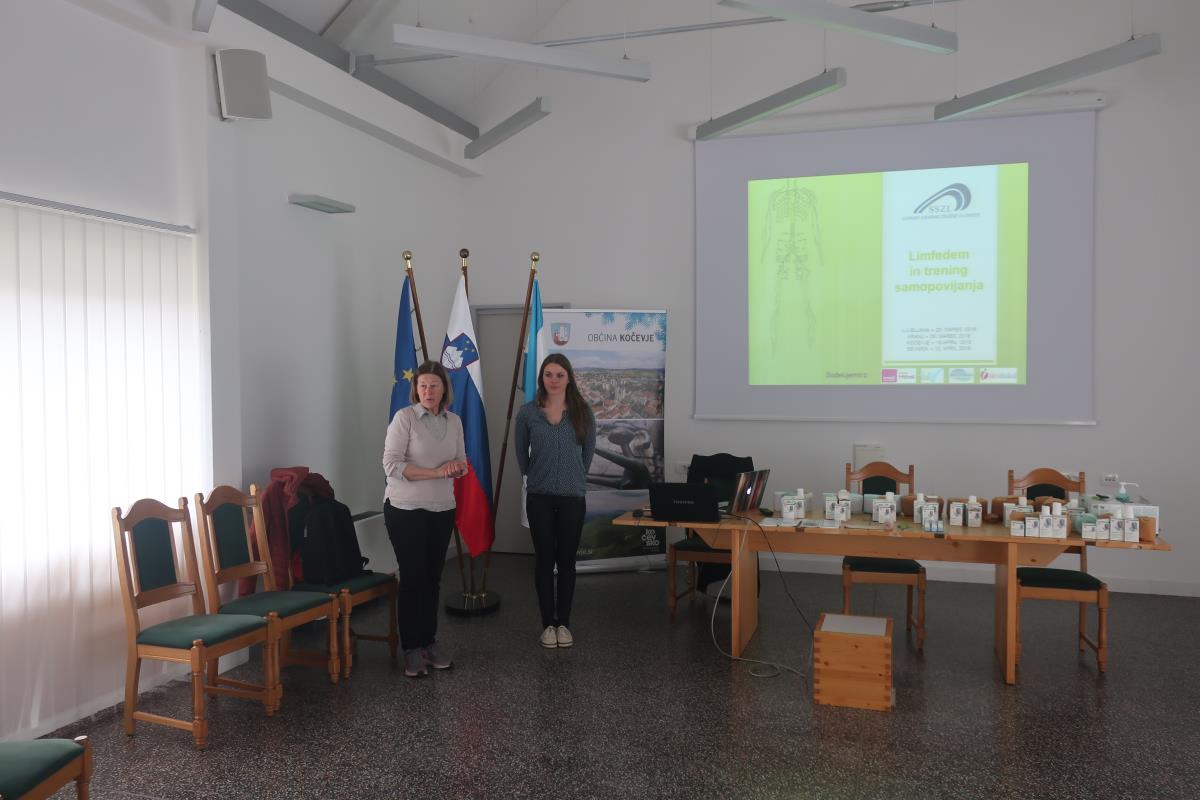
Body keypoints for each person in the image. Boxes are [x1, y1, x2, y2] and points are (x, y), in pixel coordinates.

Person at [382, 360, 469, 677]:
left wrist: (457, 468)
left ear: (444, 388)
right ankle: (411, 649)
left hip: (442, 508)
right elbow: (391, 465)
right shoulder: (404, 418)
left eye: (434, 385)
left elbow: (462, 460)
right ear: (415, 390)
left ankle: (429, 642)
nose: (428, 391)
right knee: (413, 577)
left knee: (433, 578)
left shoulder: (454, 421)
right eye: (422, 386)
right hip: (405, 509)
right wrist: (436, 472)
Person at [515, 354, 597, 648]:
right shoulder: (528, 413)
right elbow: (521, 456)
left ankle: (564, 624)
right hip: (539, 498)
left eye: (559, 375)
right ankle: (547, 624)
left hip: (573, 498)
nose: (553, 380)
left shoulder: (583, 412)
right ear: (542, 378)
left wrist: (572, 479)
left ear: (569, 378)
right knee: (544, 561)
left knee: (566, 563)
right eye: (548, 374)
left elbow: (587, 454)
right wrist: (538, 476)